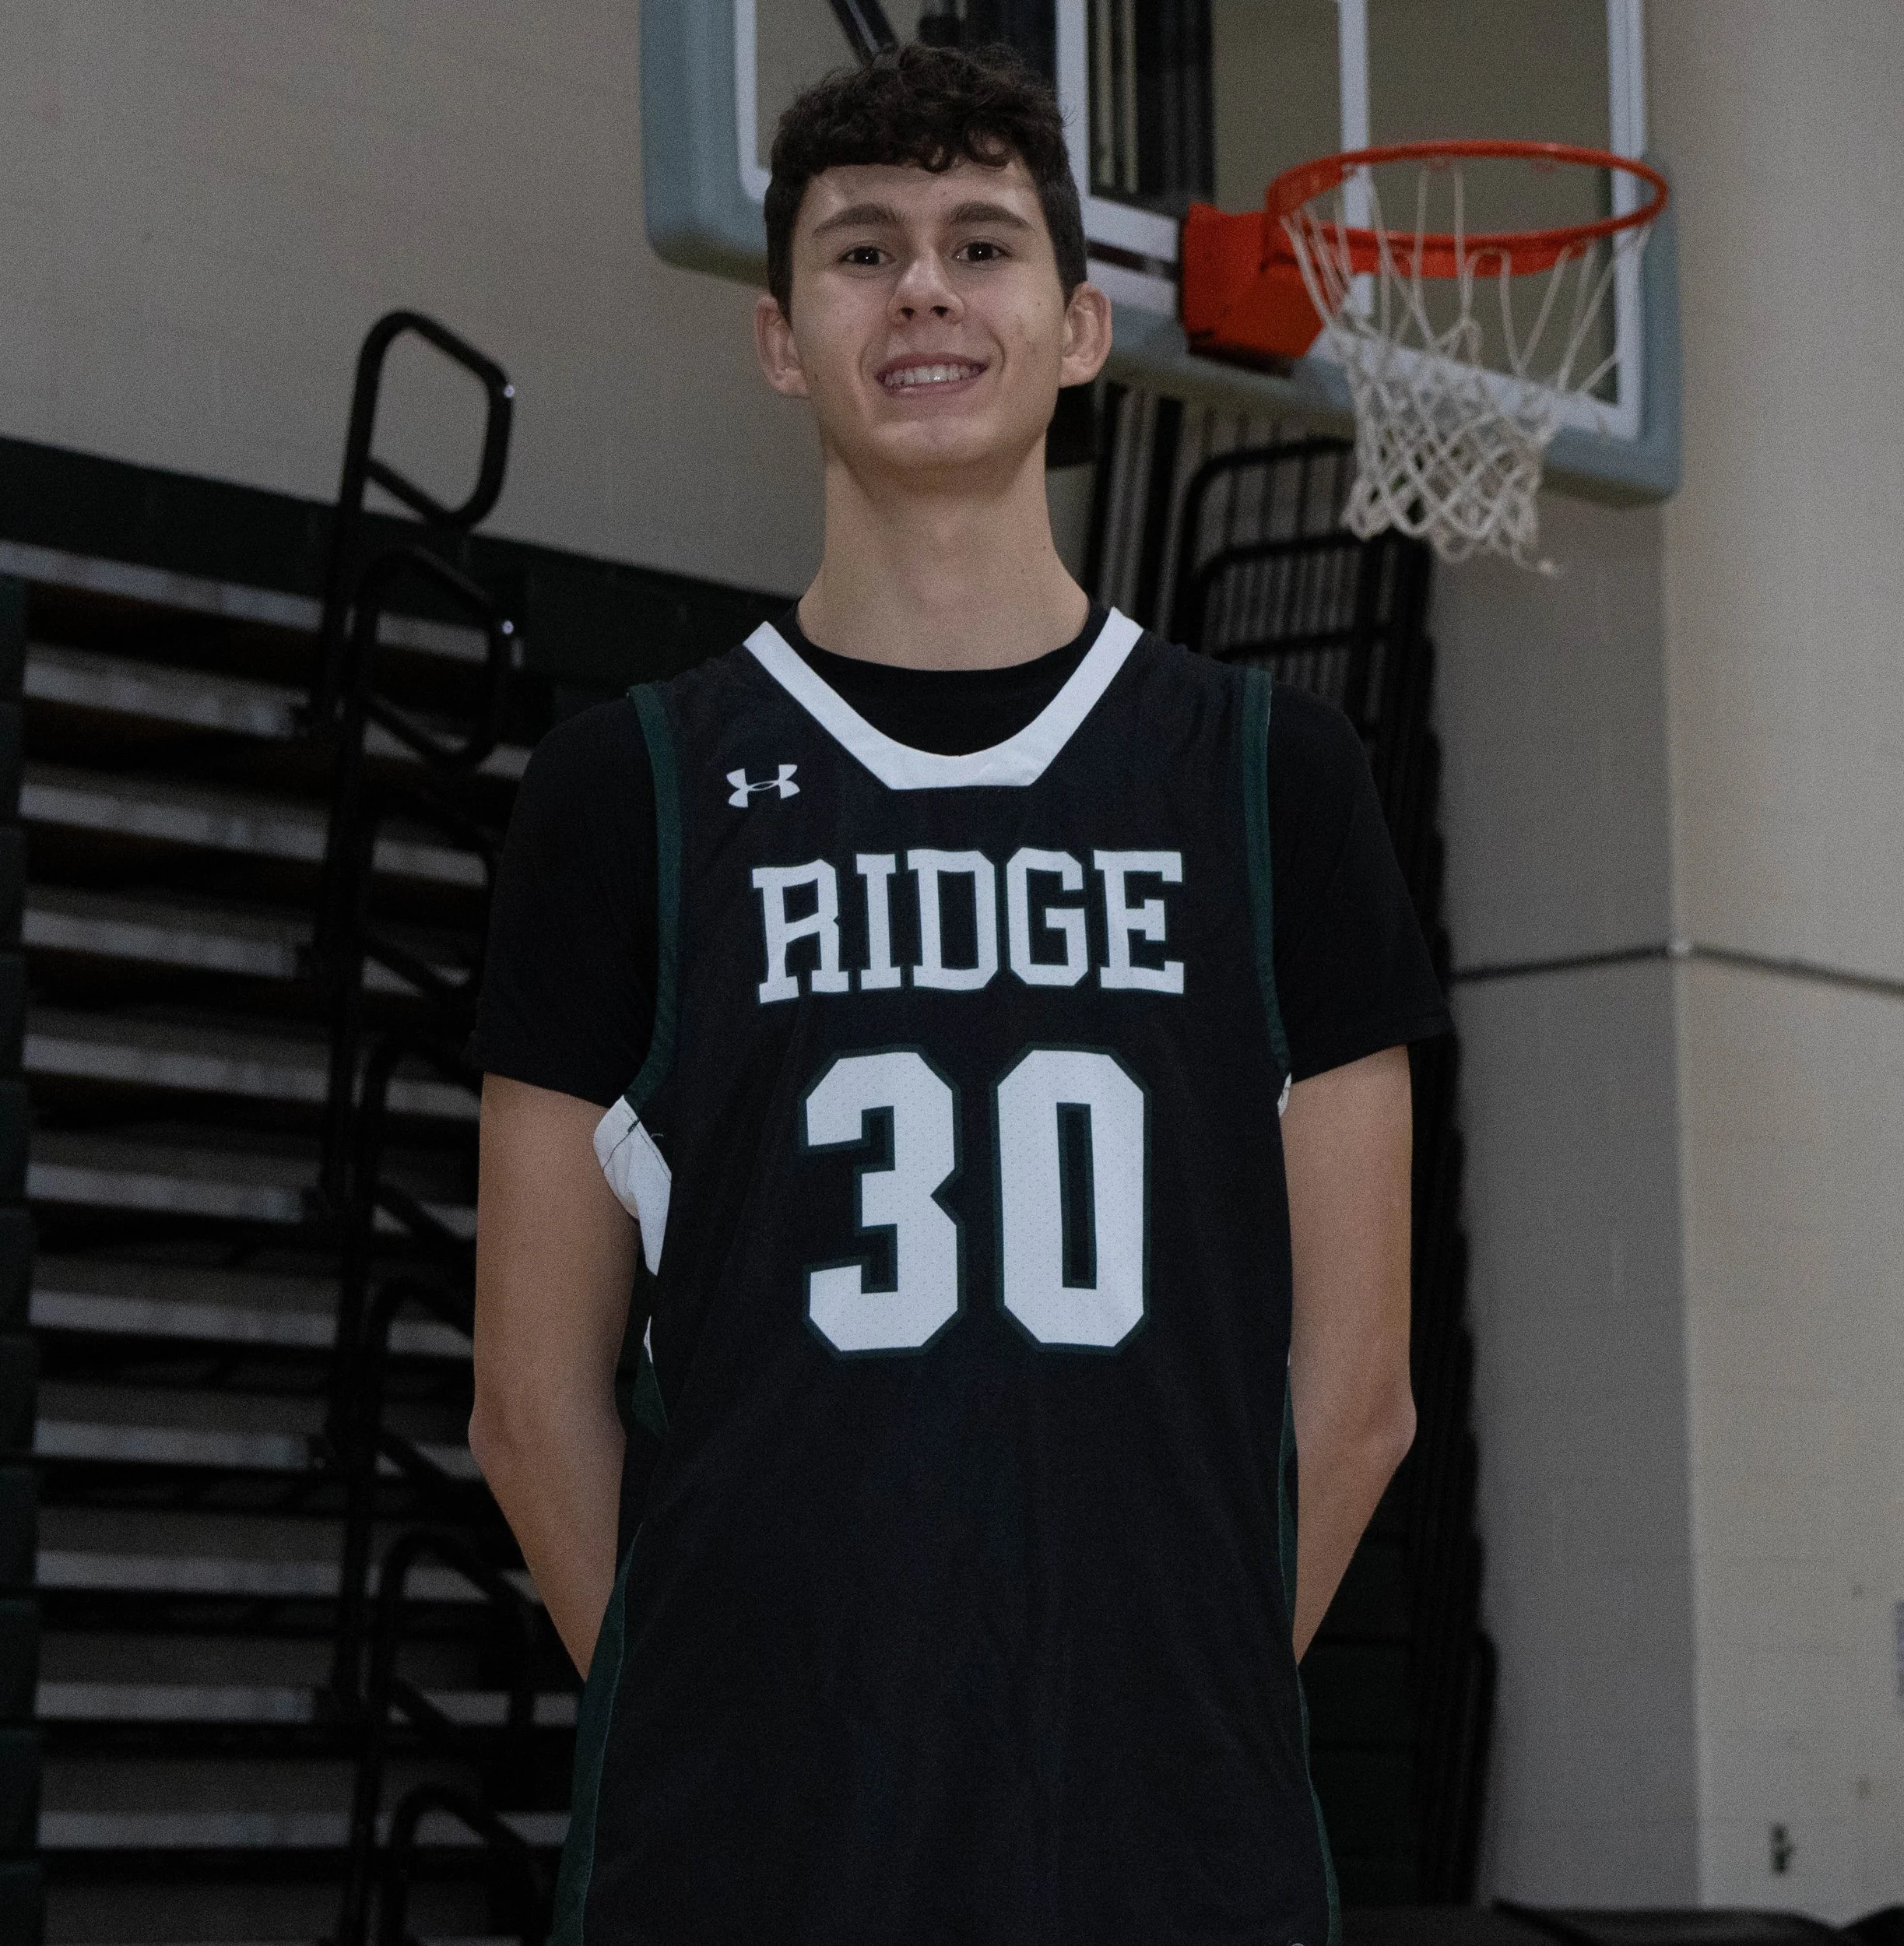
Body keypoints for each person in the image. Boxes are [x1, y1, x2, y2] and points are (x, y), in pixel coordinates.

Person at [468, 41, 1450, 1946]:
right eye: (859, 251)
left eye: (980, 244)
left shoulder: (1270, 780)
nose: (921, 288)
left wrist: (1166, 1711)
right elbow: (526, 1397)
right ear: (776, 337)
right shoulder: (630, 792)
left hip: (1174, 1850)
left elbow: (1358, 1405)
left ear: (1080, 327)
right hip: (743, 1862)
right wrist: (731, 1725)